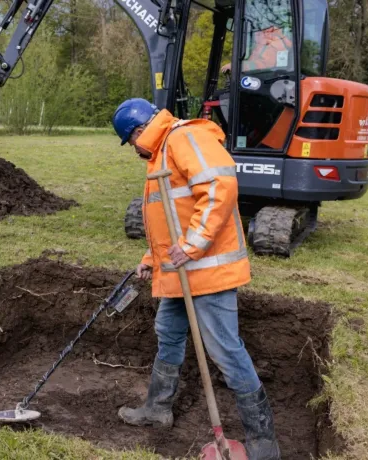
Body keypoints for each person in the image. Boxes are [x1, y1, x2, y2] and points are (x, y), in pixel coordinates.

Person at [111, 98, 281, 460]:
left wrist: (193, 246)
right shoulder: (162, 154)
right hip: (180, 271)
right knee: (168, 333)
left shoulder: (184, 138)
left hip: (207, 271)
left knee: (225, 350)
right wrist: (150, 259)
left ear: (138, 132)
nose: (134, 151)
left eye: (131, 143)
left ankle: (264, 443)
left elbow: (220, 187)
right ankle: (158, 409)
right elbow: (170, 218)